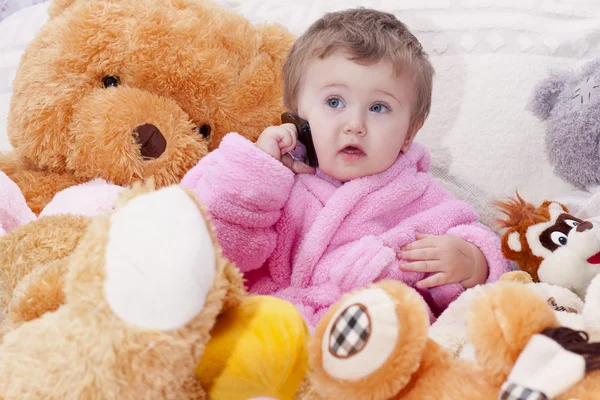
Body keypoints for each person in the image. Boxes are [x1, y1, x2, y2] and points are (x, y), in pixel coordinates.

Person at [181, 8, 511, 327]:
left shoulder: (420, 198)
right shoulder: (261, 171)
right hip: (265, 331)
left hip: (365, 343)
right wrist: (260, 174)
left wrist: (472, 262)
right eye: (334, 102)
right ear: (297, 111)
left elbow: (481, 270)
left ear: (410, 131)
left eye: (379, 107)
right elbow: (209, 251)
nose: (355, 124)